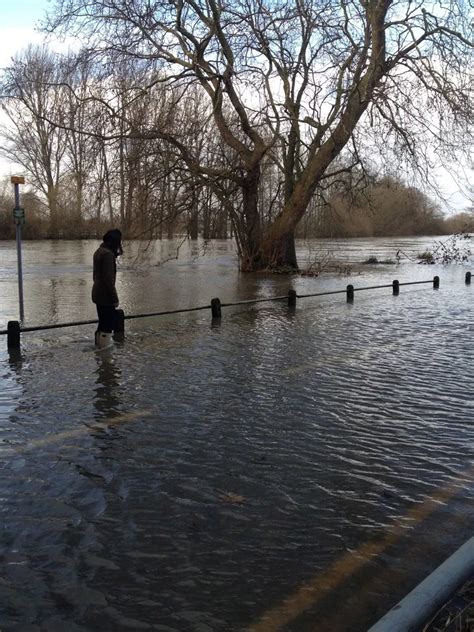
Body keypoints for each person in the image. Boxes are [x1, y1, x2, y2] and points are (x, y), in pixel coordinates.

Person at [92, 229, 123, 349]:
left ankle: (98, 348)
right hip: (105, 295)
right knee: (108, 324)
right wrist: (115, 298)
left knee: (102, 322)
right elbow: (109, 280)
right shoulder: (108, 255)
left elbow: (96, 275)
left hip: (97, 292)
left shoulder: (99, 251)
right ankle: (104, 352)